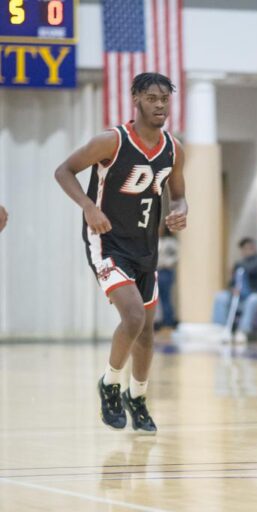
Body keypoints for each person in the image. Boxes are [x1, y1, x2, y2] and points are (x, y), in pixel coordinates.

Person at [54, 73, 187, 434]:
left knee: (146, 331)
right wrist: (87, 207)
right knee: (132, 317)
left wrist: (181, 211)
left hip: (146, 247)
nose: (160, 105)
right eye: (152, 98)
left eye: (165, 99)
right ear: (136, 99)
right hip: (108, 242)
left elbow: (178, 193)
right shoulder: (111, 141)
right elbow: (63, 170)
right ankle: (110, 383)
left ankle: (138, 397)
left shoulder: (173, 149)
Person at [212, 237, 257, 343]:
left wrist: (236, 266)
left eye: (249, 248)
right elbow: (232, 283)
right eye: (244, 248)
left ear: (254, 248)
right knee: (221, 296)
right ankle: (220, 329)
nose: (246, 250)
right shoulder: (240, 265)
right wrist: (232, 289)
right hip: (241, 299)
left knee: (253, 299)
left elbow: (250, 268)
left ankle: (243, 331)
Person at [155, 228, 179, 330]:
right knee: (165, 297)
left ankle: (166, 321)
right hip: (165, 271)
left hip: (163, 270)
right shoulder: (173, 243)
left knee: (163, 298)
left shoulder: (163, 243)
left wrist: (164, 263)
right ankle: (166, 320)